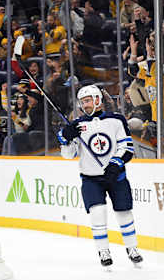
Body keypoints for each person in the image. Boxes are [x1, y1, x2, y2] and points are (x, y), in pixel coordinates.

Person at [57, 84, 143, 269]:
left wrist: (115, 164)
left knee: (124, 212)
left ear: (98, 100)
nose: (85, 105)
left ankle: (132, 248)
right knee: (98, 212)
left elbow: (127, 149)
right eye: (82, 102)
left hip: (115, 176)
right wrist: (66, 138)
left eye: (88, 100)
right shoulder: (77, 125)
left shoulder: (116, 120)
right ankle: (103, 251)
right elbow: (68, 154)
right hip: (90, 178)